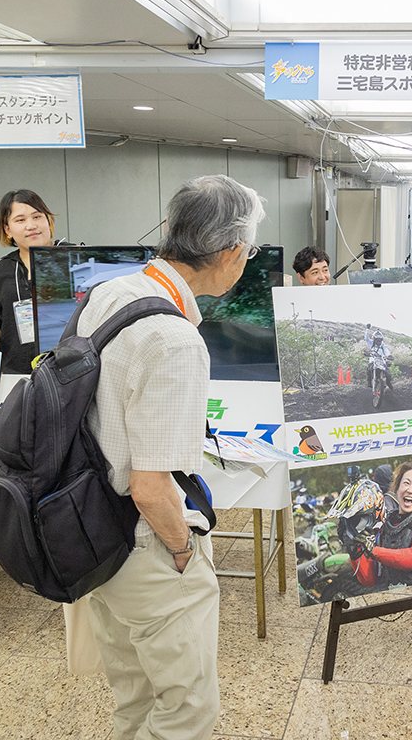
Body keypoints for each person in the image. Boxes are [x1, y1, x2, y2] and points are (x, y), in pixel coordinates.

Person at [75, 174, 264, 740]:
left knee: (133, 697)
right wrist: (184, 552)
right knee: (187, 711)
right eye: (249, 251)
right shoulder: (175, 340)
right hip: (145, 545)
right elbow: (151, 486)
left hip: (93, 535)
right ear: (230, 253)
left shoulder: (112, 294)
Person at [0, 189, 59, 374]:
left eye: (37, 217)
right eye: (20, 220)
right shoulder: (2, 270)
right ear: (7, 230)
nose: (31, 225)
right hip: (16, 373)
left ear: (48, 221)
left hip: (70, 373)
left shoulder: (74, 257)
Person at [350, 463, 412, 589]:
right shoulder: (384, 524)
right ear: (396, 488)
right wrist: (355, 553)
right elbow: (369, 580)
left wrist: (374, 551)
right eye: (406, 483)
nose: (410, 489)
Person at [363, 325, 392, 390]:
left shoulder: (383, 345)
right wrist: (368, 329)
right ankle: (369, 383)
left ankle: (388, 383)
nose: (378, 341)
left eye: (380, 340)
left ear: (381, 339)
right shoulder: (371, 343)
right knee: (369, 370)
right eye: (377, 340)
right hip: (373, 360)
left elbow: (386, 351)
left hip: (381, 361)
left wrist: (389, 355)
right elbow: (366, 338)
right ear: (374, 339)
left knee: (388, 373)